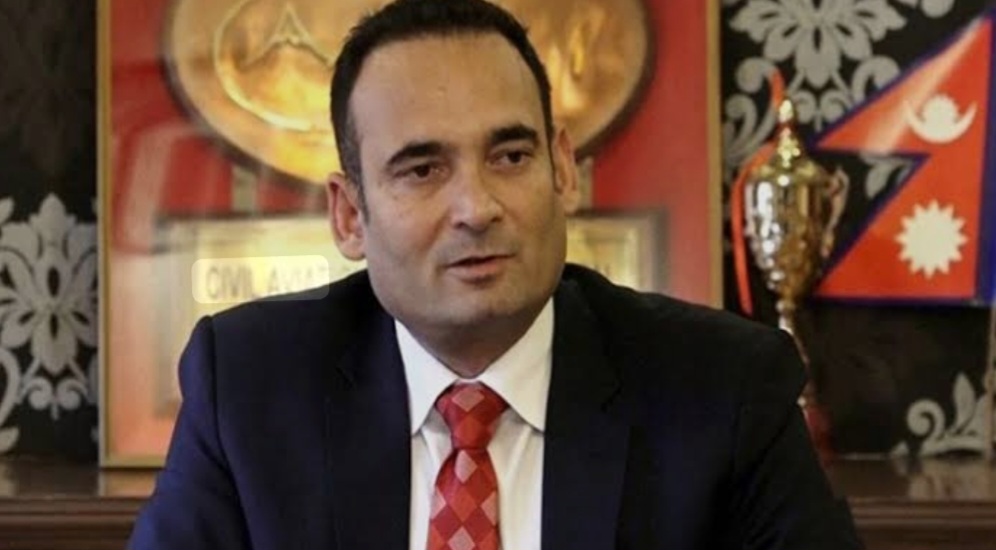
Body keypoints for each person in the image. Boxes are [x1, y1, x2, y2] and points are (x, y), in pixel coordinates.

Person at [129, 0, 863, 548]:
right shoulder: (249, 387)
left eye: (510, 157)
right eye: (422, 170)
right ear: (350, 216)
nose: (476, 208)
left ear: (563, 170)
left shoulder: (723, 389)